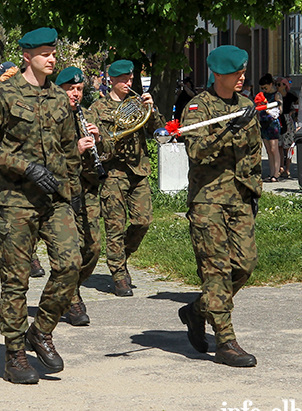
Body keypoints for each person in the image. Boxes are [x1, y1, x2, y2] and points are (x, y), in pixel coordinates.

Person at [0, 27, 83, 385]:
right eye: (45, 53)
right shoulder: (4, 94)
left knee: (71, 265)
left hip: (55, 199)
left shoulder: (58, 98)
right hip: (15, 201)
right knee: (15, 281)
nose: (52, 59)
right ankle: (15, 355)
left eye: (54, 53)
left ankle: (42, 330)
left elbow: (68, 149)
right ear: (27, 56)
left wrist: (73, 186)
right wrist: (25, 166)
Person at [178, 45, 260, 368]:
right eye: (236, 73)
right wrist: (229, 129)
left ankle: (197, 310)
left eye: (243, 71)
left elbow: (254, 154)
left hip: (239, 198)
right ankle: (225, 342)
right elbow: (196, 151)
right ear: (219, 74)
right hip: (208, 201)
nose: (242, 77)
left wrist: (254, 191)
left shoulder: (245, 106)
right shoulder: (199, 108)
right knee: (217, 271)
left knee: (245, 264)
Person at [88, 59, 163, 296]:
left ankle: (122, 256)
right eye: (124, 80)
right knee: (114, 226)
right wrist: (102, 139)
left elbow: (157, 131)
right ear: (112, 80)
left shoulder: (138, 104)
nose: (129, 83)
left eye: (131, 79)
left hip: (138, 170)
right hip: (113, 173)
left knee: (143, 222)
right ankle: (119, 274)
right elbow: (99, 147)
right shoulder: (97, 108)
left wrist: (152, 110)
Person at [55, 67, 103, 326]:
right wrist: (75, 148)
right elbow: (45, 157)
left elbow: (105, 154)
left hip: (87, 189)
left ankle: (69, 287)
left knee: (93, 247)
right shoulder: (51, 116)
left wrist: (98, 140)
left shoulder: (84, 115)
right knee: (69, 250)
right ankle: (72, 299)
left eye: (79, 89)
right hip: (62, 191)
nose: (75, 94)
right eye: (70, 89)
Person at [257, 74, 282, 182]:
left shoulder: (277, 95)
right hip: (263, 123)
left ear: (271, 84)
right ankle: (271, 173)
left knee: (274, 149)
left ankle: (276, 173)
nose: (264, 90)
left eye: (265, 87)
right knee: (268, 150)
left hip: (273, 124)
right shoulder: (262, 95)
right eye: (262, 88)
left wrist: (270, 109)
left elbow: (280, 110)